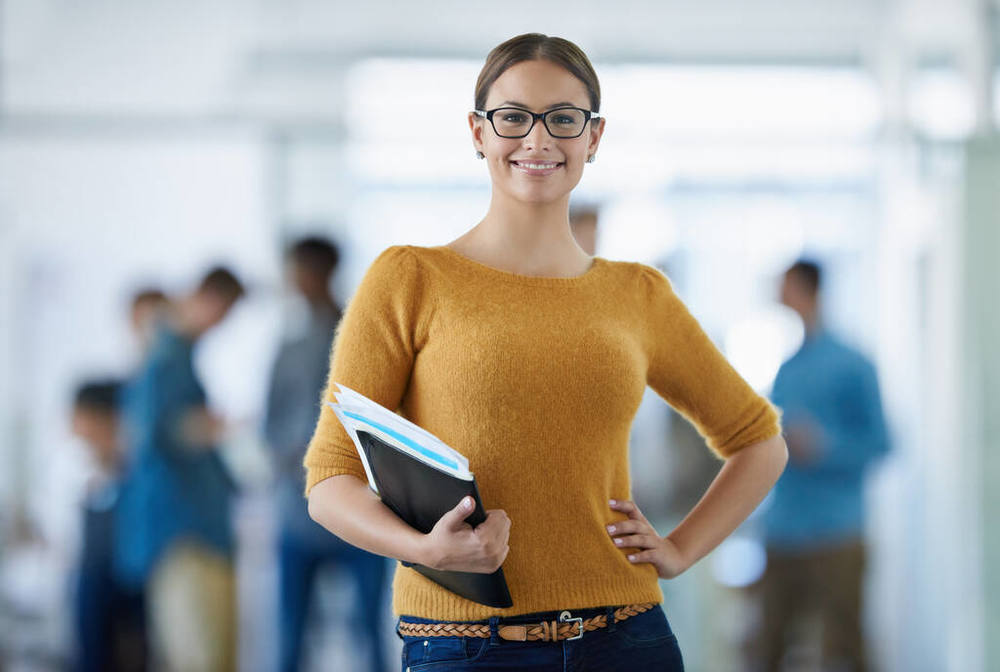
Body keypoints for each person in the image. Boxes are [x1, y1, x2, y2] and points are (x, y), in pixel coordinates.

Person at [304, 33, 788, 671]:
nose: (538, 140)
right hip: (468, 648)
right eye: (513, 118)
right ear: (479, 132)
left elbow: (759, 442)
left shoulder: (637, 295)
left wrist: (679, 550)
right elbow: (329, 479)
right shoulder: (409, 279)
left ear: (594, 137)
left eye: (563, 119)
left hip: (627, 639)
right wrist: (426, 549)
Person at [755, 260, 889, 672]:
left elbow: (881, 443)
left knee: (848, 646)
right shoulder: (787, 368)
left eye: (784, 285)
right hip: (783, 532)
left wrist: (824, 446)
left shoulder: (853, 363)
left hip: (836, 534)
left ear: (804, 288)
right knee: (767, 647)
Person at [264, 237, 389, 672]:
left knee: (368, 630)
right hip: (299, 511)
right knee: (292, 632)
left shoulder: (364, 335)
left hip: (360, 509)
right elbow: (270, 425)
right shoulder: (290, 346)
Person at [115, 266, 245, 672]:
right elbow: (154, 437)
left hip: (193, 527)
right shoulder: (165, 358)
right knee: (200, 655)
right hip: (185, 533)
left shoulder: (179, 358)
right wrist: (203, 429)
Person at [70, 379, 147, 672]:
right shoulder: (82, 468)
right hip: (91, 581)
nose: (75, 429)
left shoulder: (139, 469)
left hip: (128, 587)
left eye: (79, 418)